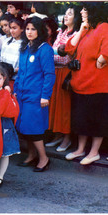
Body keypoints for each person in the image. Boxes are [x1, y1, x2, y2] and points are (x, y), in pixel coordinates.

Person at [64, 2, 108, 165]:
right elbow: (68, 48)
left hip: (97, 84)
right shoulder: (87, 29)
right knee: (81, 120)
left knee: (96, 121)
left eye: (85, 9)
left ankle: (94, 152)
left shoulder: (104, 27)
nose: (82, 11)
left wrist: (102, 59)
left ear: (93, 11)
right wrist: (82, 28)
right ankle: (80, 149)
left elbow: (107, 50)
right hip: (80, 83)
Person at [14, 17, 55, 172]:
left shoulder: (45, 49)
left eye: (33, 29)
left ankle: (44, 158)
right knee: (24, 128)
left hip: (36, 96)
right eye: (28, 29)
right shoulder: (25, 47)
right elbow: (20, 73)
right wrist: (16, 91)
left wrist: (45, 95)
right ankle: (32, 156)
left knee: (34, 129)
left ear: (40, 31)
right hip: (22, 95)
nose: (29, 32)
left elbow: (49, 74)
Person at [46, 5, 81, 151]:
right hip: (55, 71)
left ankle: (66, 139)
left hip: (66, 72)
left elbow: (67, 54)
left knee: (65, 107)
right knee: (55, 107)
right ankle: (58, 135)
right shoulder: (61, 32)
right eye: (65, 14)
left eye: (70, 14)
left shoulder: (77, 34)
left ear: (76, 17)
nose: (66, 16)